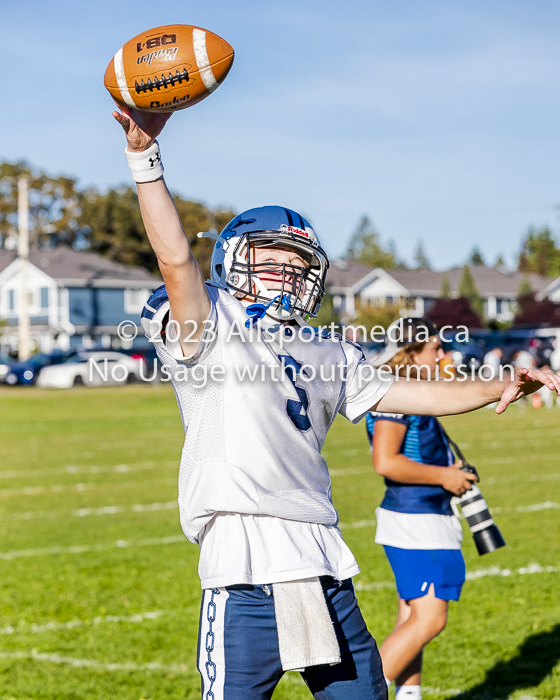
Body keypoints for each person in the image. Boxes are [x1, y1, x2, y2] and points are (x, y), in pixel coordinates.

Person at [112, 105, 560, 700]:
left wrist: (498, 385)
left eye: (297, 265)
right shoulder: (207, 327)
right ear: (233, 264)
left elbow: (415, 391)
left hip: (322, 562)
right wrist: (146, 159)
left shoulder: (325, 350)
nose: (286, 273)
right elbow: (174, 259)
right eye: (270, 260)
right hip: (243, 569)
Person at [366, 318, 475, 700]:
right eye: (434, 348)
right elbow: (386, 461)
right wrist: (444, 477)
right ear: (410, 352)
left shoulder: (409, 388)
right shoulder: (396, 392)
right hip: (417, 518)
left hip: (417, 515)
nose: (443, 354)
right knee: (430, 620)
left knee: (410, 621)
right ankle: (357, 696)